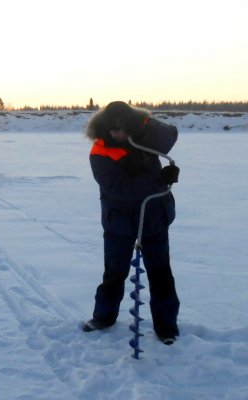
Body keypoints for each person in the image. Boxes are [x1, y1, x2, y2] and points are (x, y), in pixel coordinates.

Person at [83, 101, 181, 345]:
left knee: (161, 273)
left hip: (154, 215)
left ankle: (166, 326)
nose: (117, 134)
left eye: (122, 128)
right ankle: (104, 317)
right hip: (120, 220)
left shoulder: (145, 136)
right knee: (114, 272)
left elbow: (171, 135)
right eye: (113, 130)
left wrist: (143, 126)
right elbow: (119, 188)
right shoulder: (100, 150)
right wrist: (160, 180)